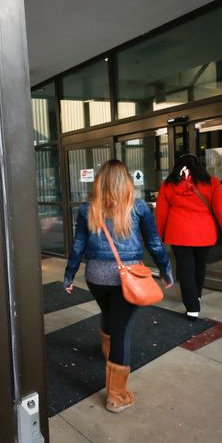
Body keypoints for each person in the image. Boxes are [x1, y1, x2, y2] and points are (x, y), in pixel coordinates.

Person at [63, 159, 173, 413]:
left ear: (99, 181)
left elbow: (78, 245)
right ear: (127, 181)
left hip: (96, 277)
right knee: (122, 330)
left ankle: (106, 349)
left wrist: (69, 275)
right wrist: (165, 269)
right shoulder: (138, 207)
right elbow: (154, 243)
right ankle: (116, 395)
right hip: (129, 277)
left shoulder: (87, 208)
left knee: (110, 314)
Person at [156, 153, 222, 321]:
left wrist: (160, 236)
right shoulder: (212, 183)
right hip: (204, 233)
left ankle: (192, 308)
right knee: (200, 266)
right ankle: (196, 296)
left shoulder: (168, 185)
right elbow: (221, 212)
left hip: (178, 233)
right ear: (200, 167)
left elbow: (161, 214)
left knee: (185, 269)